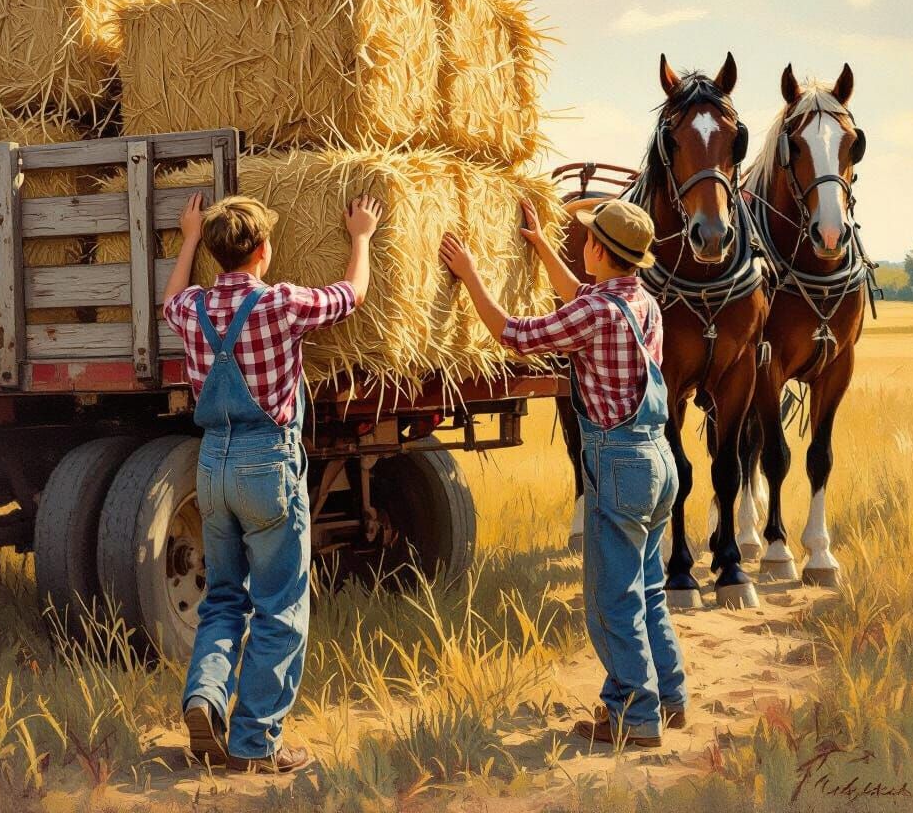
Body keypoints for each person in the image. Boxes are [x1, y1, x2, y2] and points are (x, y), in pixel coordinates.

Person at [439, 197, 687, 748]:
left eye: (586, 239)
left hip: (618, 464)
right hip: (657, 459)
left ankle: (634, 715)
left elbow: (514, 335)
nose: (582, 245)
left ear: (598, 250)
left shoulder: (595, 313)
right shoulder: (642, 303)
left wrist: (471, 275)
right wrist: (542, 244)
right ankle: (670, 698)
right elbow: (582, 297)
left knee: (610, 600)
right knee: (647, 590)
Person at [163, 191, 383, 772]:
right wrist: (359, 237)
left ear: (214, 257)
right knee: (280, 604)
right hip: (267, 465)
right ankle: (256, 742)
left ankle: (205, 699)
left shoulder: (192, 310)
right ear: (264, 250)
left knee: (224, 600)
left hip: (212, 465)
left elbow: (169, 299)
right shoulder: (282, 304)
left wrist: (187, 236)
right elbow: (352, 295)